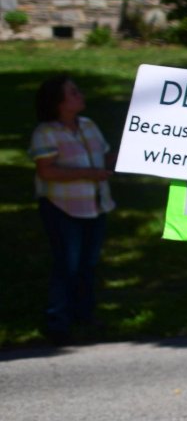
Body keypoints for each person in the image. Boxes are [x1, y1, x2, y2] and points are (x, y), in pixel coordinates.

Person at [29, 76, 116, 345]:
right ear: (59, 102)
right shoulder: (46, 133)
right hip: (63, 208)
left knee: (88, 265)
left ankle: (84, 314)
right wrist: (91, 173)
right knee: (66, 265)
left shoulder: (89, 126)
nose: (80, 95)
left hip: (95, 205)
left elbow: (105, 157)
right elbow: (47, 171)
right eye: (73, 92)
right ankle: (58, 322)